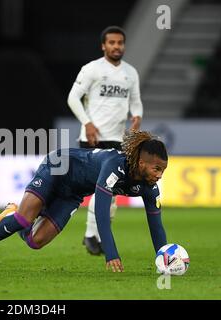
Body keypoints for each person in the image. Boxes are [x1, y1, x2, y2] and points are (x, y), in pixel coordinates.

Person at [0, 130, 168, 274]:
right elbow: (101, 213)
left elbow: (156, 226)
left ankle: (10, 214)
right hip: (57, 168)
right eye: (157, 169)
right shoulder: (114, 167)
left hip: (73, 194)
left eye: (163, 171)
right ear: (142, 163)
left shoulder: (149, 188)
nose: (159, 175)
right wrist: (111, 253)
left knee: (35, 241)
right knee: (23, 219)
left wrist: (164, 259)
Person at [67, 26, 143, 255]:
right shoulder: (91, 69)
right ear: (103, 45)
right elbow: (72, 98)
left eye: (120, 43)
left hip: (118, 140)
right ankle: (92, 235)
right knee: (102, 189)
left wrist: (137, 117)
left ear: (124, 45)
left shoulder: (131, 73)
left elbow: (136, 101)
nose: (116, 46)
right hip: (93, 139)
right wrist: (87, 123)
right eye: (112, 43)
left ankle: (95, 236)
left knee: (111, 193)